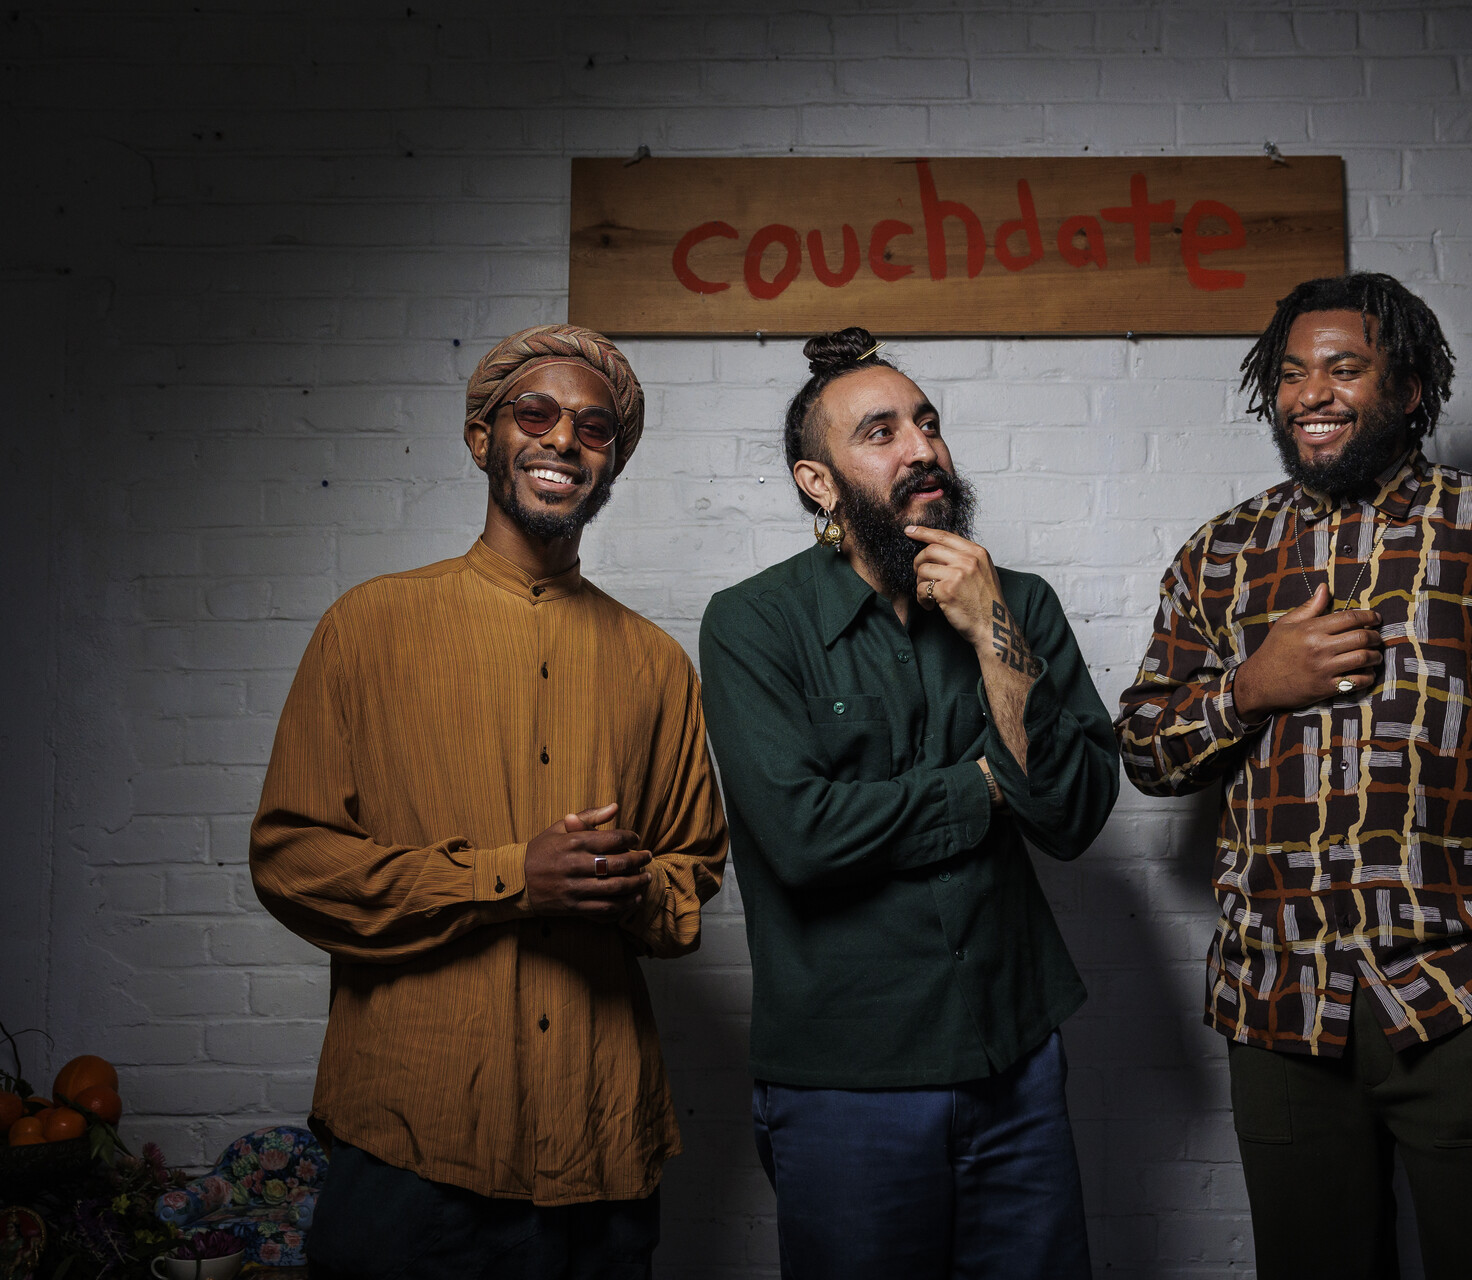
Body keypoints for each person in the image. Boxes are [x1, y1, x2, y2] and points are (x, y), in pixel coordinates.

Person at [1117, 273, 1472, 1279]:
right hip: (1280, 1007)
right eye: (1292, 371)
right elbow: (1144, 747)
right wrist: (1251, 687)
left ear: (1407, 389)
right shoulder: (1220, 556)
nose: (1311, 389)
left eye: (1343, 367)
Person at [250, 324, 729, 1279]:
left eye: (594, 430)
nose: (563, 441)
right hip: (413, 1143)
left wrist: (630, 888)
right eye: (535, 414)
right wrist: (513, 877)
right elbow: (292, 861)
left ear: (612, 462)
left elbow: (691, 879)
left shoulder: (658, 666)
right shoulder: (368, 627)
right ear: (484, 438)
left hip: (601, 1146)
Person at [698, 327, 1118, 1280]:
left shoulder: (1020, 604)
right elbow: (802, 836)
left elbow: (1072, 815)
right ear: (819, 482)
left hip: (1015, 1054)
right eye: (880, 432)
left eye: (927, 423)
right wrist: (982, 786)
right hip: (848, 1078)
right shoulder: (753, 623)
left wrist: (991, 631)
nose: (921, 448)